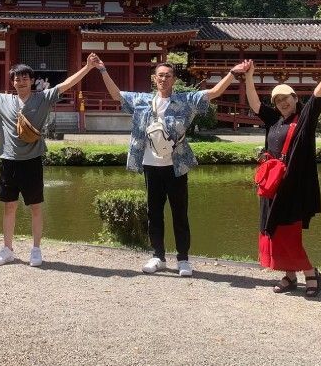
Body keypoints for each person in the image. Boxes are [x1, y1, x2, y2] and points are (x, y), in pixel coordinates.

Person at [95, 58, 248, 277]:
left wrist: (233, 73)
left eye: (168, 75)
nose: (164, 79)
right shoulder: (142, 100)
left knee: (180, 213)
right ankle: (158, 256)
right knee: (154, 212)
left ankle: (183, 259)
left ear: (174, 79)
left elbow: (213, 92)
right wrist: (102, 69)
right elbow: (116, 94)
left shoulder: (184, 101)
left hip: (176, 165)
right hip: (150, 164)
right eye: (160, 75)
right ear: (154, 79)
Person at [0, 54, 99, 267]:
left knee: (35, 207)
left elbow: (66, 84)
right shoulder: (4, 100)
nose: (21, 81)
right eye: (17, 79)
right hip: (8, 160)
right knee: (9, 206)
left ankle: (36, 249)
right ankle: (7, 249)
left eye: (25, 78)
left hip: (32, 160)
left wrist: (87, 67)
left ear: (32, 80)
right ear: (13, 82)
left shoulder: (43, 98)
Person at [240, 57, 321, 297]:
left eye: (286, 98)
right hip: (272, 186)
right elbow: (254, 105)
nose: (282, 103)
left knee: (289, 236)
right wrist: (249, 76)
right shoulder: (273, 120)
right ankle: (289, 275)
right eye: (277, 100)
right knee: (272, 231)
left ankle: (310, 273)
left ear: (295, 98)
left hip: (293, 189)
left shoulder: (303, 120)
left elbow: (318, 93)